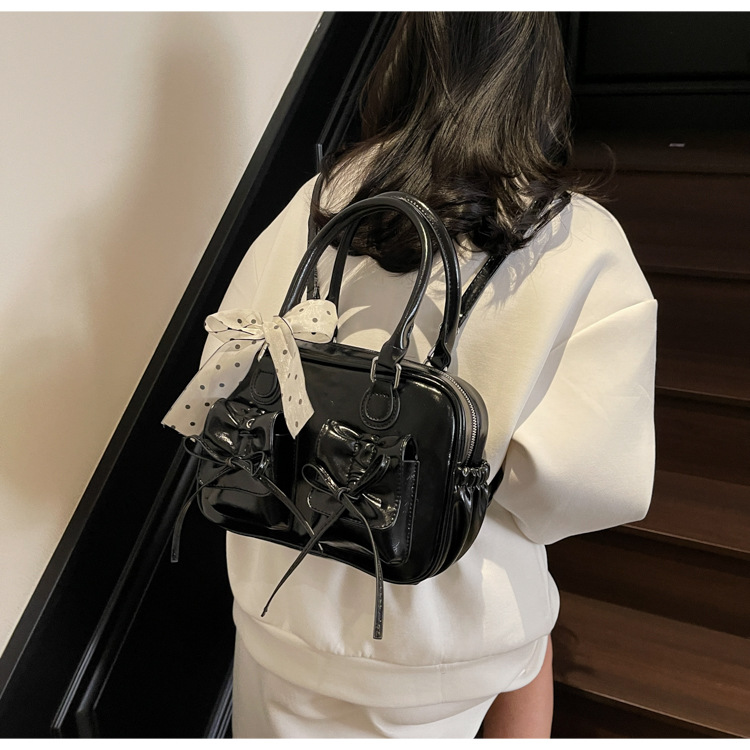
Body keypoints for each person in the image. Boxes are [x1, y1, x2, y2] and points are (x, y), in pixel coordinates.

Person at [188, 12, 656, 738]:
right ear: (537, 72)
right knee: (528, 654)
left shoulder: (320, 199)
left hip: (281, 595)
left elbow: (223, 374)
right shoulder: (574, 235)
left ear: (404, 55)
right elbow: (596, 485)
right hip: (444, 626)